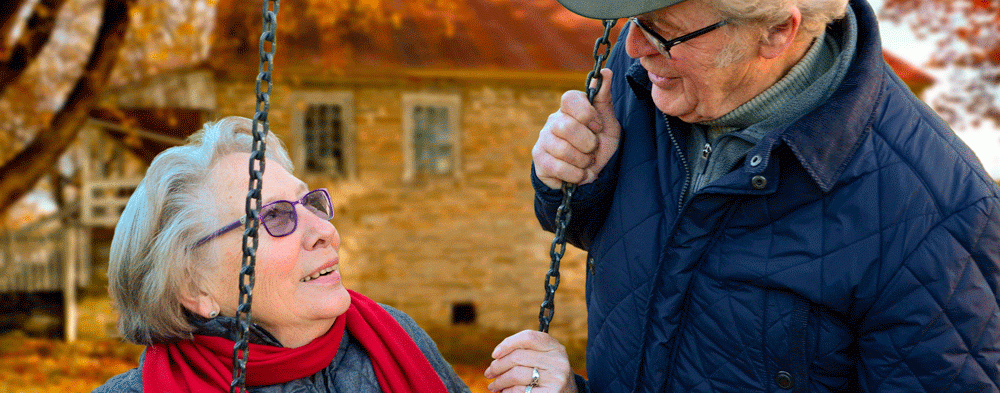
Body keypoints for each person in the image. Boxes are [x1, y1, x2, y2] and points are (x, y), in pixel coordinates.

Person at [485, 0, 1000, 392]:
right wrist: (572, 182)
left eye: (664, 33)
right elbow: (603, 236)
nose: (636, 48)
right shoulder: (646, 75)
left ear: (778, 30)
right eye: (634, 21)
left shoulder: (942, 218)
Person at [93, 116, 471, 393]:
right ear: (193, 287)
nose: (325, 231)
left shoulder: (397, 338)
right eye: (274, 215)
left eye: (310, 202)